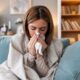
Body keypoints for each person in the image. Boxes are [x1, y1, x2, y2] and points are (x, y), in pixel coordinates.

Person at [0, 5, 63, 80]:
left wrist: (39, 55)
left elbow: (45, 73)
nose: (37, 33)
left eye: (42, 29)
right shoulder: (16, 40)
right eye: (33, 28)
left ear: (48, 28)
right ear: (26, 26)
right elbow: (16, 68)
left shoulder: (56, 45)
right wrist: (31, 54)